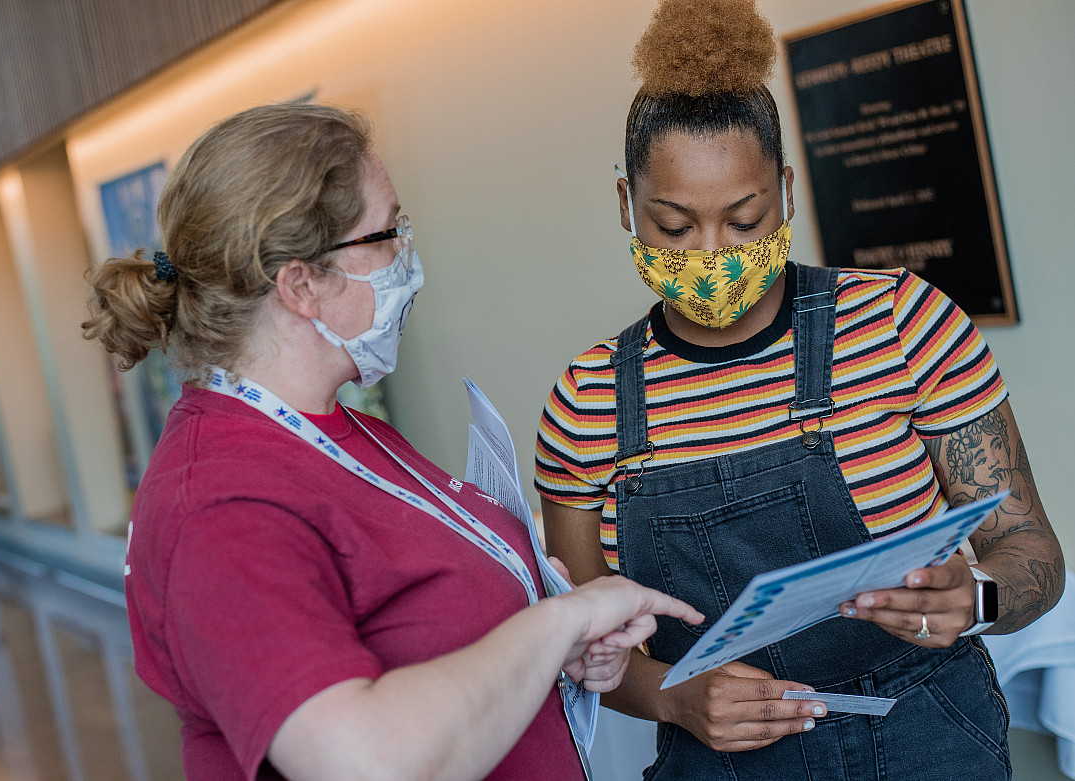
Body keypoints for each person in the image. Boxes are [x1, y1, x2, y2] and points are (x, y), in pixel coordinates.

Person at [83, 101, 703, 781]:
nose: (408, 255)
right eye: (385, 234)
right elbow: (361, 760)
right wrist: (562, 622)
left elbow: (440, 634)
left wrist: (568, 648)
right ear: (301, 283)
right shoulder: (218, 503)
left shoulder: (348, 431)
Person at [535, 0, 1065, 778]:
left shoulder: (903, 322)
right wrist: (676, 697)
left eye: (744, 219)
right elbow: (586, 649)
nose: (712, 254)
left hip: (929, 737)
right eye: (675, 227)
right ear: (626, 205)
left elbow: (1033, 554)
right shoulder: (587, 404)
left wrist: (976, 599)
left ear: (784, 193)